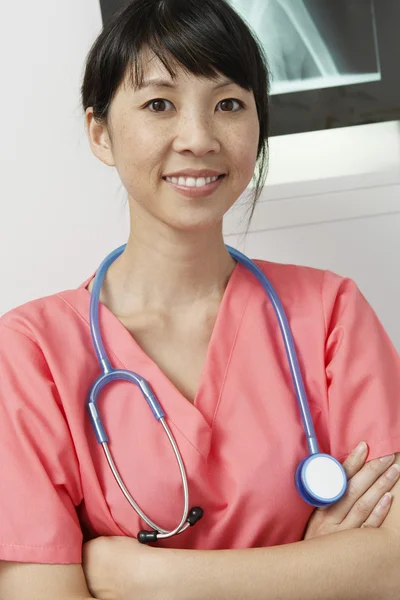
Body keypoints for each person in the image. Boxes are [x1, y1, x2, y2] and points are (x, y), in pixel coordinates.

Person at [0, 0, 399, 598]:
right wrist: (319, 569)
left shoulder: (331, 313)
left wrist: (145, 577)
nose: (198, 137)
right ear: (100, 132)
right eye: (159, 104)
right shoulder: (31, 354)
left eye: (229, 104)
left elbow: (393, 565)